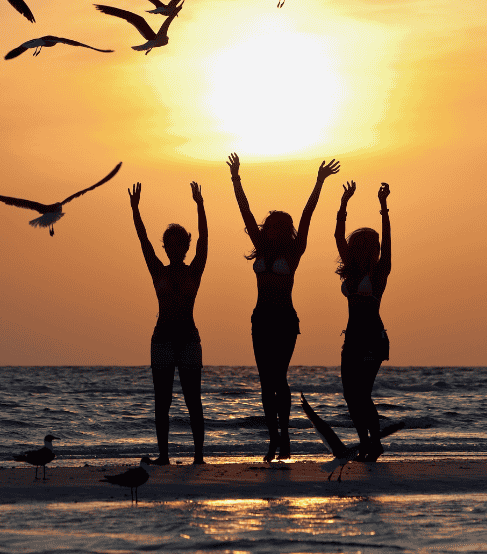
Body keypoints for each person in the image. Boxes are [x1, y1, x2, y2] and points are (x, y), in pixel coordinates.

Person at [227, 153, 340, 461]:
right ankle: (274, 439)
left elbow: (308, 213)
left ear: (288, 230)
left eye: (284, 225)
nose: (279, 229)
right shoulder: (261, 247)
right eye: (274, 225)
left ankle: (285, 435)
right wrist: (236, 178)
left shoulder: (294, 252)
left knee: (279, 377)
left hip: (285, 320)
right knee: (266, 380)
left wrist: (319, 181)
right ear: (268, 228)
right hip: (261, 319)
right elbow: (245, 211)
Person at [129, 180, 207, 465]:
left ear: (185, 246)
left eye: (179, 243)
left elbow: (205, 241)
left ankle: (199, 456)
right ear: (166, 247)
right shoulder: (157, 269)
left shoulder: (194, 270)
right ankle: (164, 455)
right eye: (170, 244)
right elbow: (143, 239)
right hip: (162, 339)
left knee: (192, 400)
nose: (175, 248)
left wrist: (200, 206)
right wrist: (135, 211)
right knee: (162, 401)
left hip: (188, 339)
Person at [335, 181, 391, 461]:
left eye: (369, 246)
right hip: (353, 339)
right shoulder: (352, 271)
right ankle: (365, 442)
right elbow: (337, 235)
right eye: (359, 246)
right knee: (349, 395)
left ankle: (375, 443)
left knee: (362, 394)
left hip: (373, 339)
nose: (363, 250)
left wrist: (383, 207)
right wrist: (344, 202)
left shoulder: (380, 272)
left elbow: (389, 242)